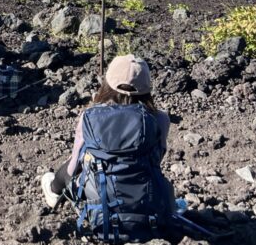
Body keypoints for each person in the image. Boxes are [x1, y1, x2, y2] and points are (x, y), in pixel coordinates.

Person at [40, 55, 174, 232]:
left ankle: (54, 191)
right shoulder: (161, 119)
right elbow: (157, 160)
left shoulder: (90, 117)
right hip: (149, 208)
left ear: (108, 83)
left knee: (71, 168)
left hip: (101, 209)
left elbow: (76, 164)